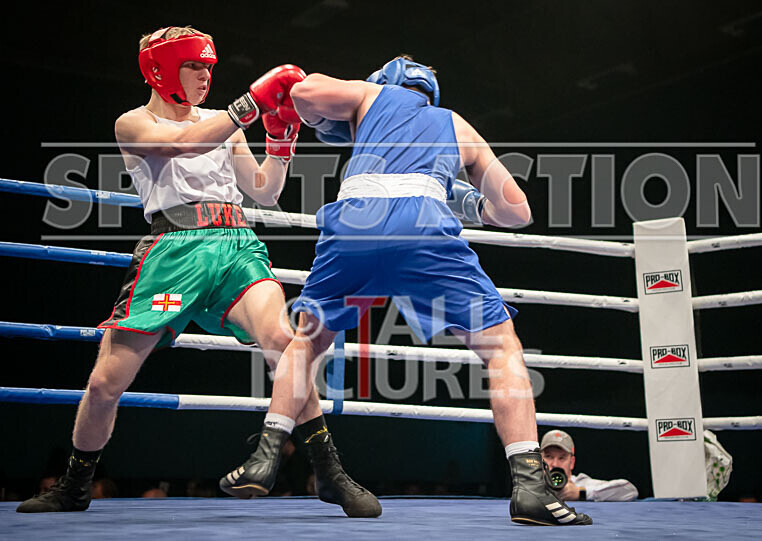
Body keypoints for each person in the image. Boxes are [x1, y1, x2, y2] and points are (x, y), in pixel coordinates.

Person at [17, 26, 379, 518]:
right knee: (104, 383)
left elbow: (265, 191)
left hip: (236, 247)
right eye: (194, 66)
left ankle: (330, 473)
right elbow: (181, 145)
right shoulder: (134, 123)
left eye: (209, 67)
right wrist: (250, 105)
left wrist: (281, 140)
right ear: (161, 71)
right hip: (173, 254)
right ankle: (75, 485)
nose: (205, 76)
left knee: (282, 339)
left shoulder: (221, 123)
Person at [219, 56, 592, 526]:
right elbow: (518, 211)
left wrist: (326, 115)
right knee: (501, 348)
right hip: (424, 226)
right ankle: (531, 489)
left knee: (307, 341)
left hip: (355, 223)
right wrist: (468, 201)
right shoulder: (457, 124)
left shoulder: (371, 94)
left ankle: (265, 455)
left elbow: (301, 91)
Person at [540, 429, 638, 502]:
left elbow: (630, 490)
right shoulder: (532, 485)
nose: (555, 464)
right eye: (548, 457)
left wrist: (581, 493)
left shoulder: (582, 484)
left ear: (572, 462)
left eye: (562, 458)